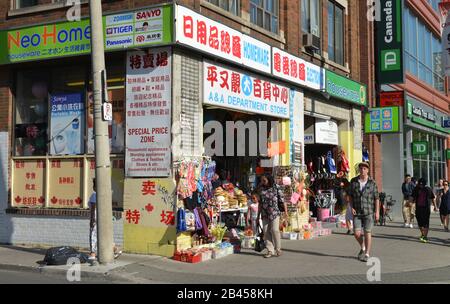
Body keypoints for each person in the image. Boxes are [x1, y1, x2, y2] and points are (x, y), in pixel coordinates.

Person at [348, 162, 380, 262]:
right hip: (357, 211)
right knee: (356, 233)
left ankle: (367, 254)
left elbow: (377, 198)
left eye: (364, 168)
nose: (362, 170)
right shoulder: (353, 181)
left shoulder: (372, 182)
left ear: (368, 170)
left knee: (367, 233)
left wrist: (377, 212)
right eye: (361, 168)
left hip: (369, 211)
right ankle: (363, 246)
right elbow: (349, 196)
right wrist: (351, 207)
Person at [89, 178, 122, 261]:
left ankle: (93, 253)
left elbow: (93, 209)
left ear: (96, 187)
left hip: (96, 219)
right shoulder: (105, 195)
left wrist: (92, 220)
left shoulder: (94, 195)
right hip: (104, 218)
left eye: (94, 185)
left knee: (93, 235)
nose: (93, 187)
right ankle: (115, 249)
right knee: (105, 235)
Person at [258, 174, 287, 258]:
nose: (263, 182)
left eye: (264, 180)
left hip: (275, 213)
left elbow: (282, 200)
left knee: (274, 230)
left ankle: (278, 249)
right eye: (262, 180)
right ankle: (270, 250)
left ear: (269, 180)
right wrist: (258, 216)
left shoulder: (276, 187)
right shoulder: (261, 189)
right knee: (266, 231)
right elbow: (260, 203)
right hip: (264, 213)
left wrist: (286, 213)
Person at [412, 178, 437, 243]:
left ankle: (425, 237)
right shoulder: (416, 189)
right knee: (420, 223)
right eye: (420, 184)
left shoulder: (428, 189)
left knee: (426, 222)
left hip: (426, 208)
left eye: (422, 184)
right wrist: (410, 202)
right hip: (418, 208)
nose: (421, 185)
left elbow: (433, 198)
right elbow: (412, 197)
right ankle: (423, 234)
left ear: (424, 184)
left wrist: (435, 206)